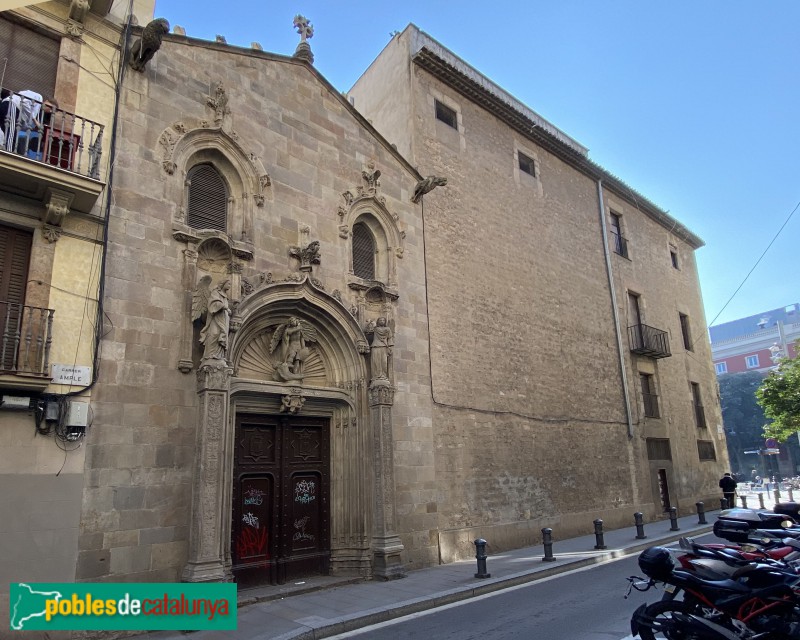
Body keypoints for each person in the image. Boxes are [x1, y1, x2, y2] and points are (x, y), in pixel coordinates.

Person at [199, 279, 231, 360]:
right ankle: (210, 354)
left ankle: (219, 356)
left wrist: (227, 310)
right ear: (223, 283)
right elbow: (212, 304)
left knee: (222, 335)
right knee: (214, 333)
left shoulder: (226, 296)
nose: (230, 286)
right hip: (216, 318)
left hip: (223, 319)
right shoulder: (215, 292)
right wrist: (223, 306)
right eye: (228, 284)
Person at [369, 317, 393, 383]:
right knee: (376, 362)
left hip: (384, 347)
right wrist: (370, 323)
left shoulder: (387, 329)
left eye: (383, 320)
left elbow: (390, 338)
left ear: (385, 322)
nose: (382, 321)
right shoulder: (375, 328)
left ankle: (383, 376)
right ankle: (376, 376)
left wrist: (390, 347)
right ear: (378, 321)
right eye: (380, 320)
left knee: (384, 362)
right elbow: (368, 331)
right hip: (375, 346)